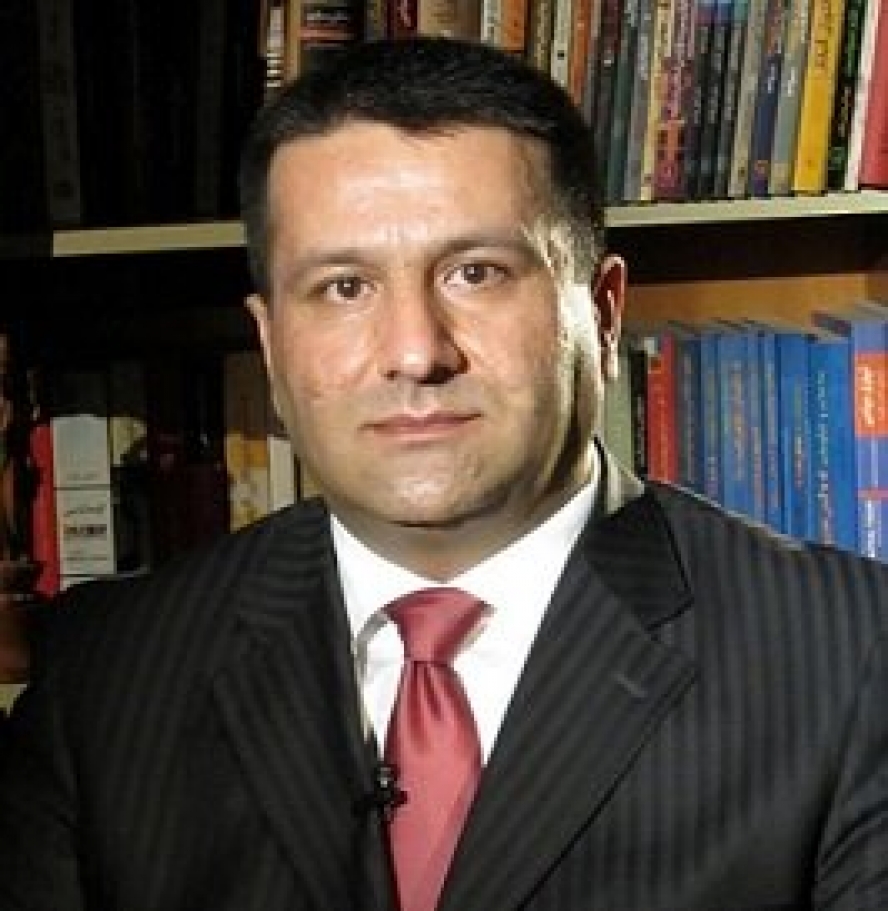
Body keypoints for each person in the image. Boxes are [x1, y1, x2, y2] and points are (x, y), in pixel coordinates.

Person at [0, 36, 887, 911]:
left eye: (476, 272)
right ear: (270, 344)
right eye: (344, 287)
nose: (416, 351)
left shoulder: (850, 656)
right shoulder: (109, 674)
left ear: (603, 313)